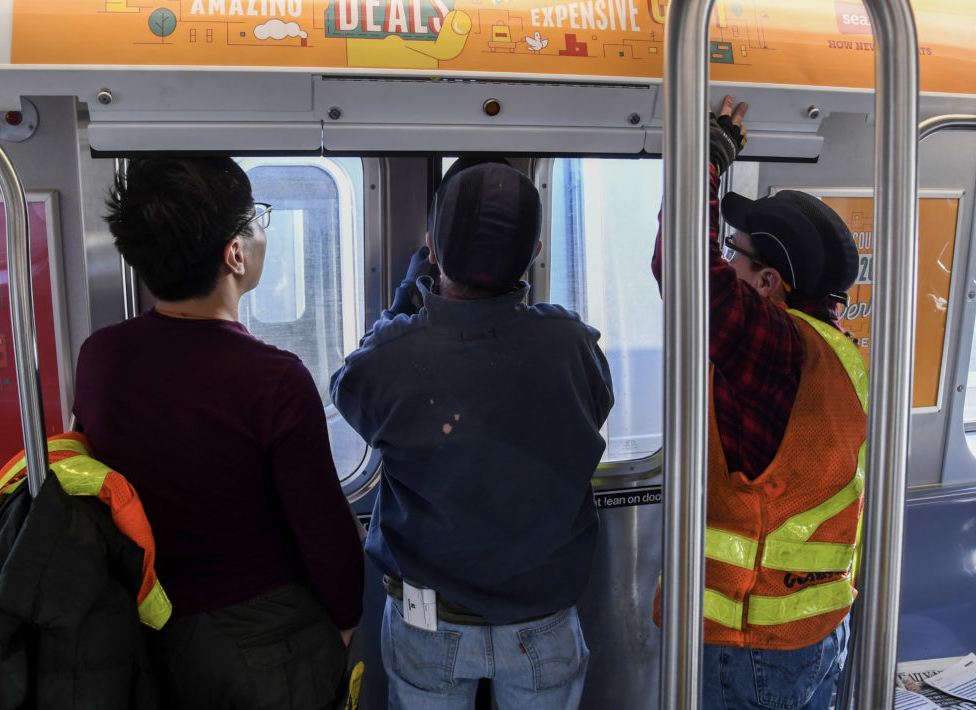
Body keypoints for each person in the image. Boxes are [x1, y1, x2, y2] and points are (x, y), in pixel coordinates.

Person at [73, 157, 364, 710]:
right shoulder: (273, 379)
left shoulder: (100, 356)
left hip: (144, 628)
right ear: (234, 253)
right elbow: (326, 536)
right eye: (256, 219)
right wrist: (343, 624)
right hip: (264, 640)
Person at [330, 160, 614, 710]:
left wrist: (406, 301)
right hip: (542, 620)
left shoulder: (393, 356)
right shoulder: (570, 344)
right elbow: (595, 405)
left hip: (427, 619)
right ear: (534, 253)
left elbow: (349, 390)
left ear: (432, 252)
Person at [651, 96, 867, 710]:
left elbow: (681, 266)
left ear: (769, 282)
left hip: (747, 648)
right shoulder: (841, 355)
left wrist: (711, 153)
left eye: (736, 255)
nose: (725, 262)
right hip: (815, 634)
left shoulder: (777, 350)